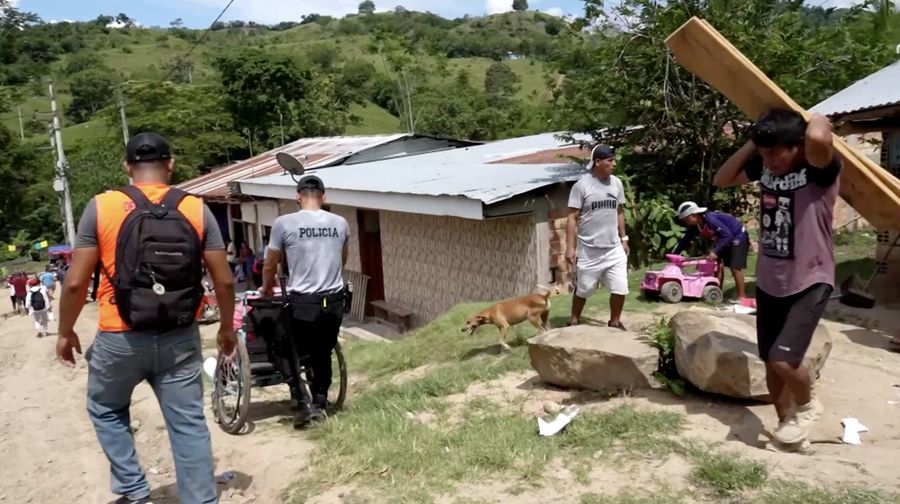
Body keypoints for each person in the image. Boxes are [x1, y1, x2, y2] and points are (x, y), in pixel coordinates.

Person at [56, 132, 237, 504]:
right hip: (179, 334)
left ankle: (136, 492)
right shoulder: (197, 209)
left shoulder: (101, 207)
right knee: (187, 424)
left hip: (119, 335)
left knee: (105, 408)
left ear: (127, 168)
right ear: (170, 165)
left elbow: (75, 284)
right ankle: (201, 499)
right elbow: (224, 280)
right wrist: (225, 329)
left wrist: (65, 331)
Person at [714, 109, 839, 446]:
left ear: (796, 146)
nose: (767, 161)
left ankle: (809, 406)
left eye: (774, 153)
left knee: (784, 359)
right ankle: (789, 429)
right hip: (770, 279)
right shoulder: (767, 166)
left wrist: (815, 120)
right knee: (771, 362)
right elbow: (721, 179)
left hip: (810, 279)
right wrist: (753, 144)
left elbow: (816, 138)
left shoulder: (819, 169)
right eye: (763, 153)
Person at [261, 175, 350, 428]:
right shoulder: (341, 223)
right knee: (323, 349)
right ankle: (321, 401)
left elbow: (270, 263)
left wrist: (267, 287)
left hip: (303, 302)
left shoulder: (284, 223)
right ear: (324, 196)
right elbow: (343, 259)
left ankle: (302, 400)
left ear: (297, 197)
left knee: (283, 346)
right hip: (333, 300)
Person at [565, 144, 630, 329]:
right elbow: (572, 217)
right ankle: (574, 319)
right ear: (598, 162)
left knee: (620, 287)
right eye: (610, 160)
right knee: (584, 289)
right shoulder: (582, 186)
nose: (614, 163)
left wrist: (623, 239)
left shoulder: (616, 183)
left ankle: (615, 321)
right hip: (589, 249)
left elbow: (619, 212)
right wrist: (569, 248)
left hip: (613, 248)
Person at [672, 201, 750, 301]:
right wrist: (674, 254)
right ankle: (717, 293)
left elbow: (727, 235)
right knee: (717, 265)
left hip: (737, 236)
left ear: (694, 215)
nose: (686, 223)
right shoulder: (696, 225)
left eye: (687, 220)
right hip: (724, 238)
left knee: (735, 267)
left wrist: (715, 251)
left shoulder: (710, 219)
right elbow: (686, 240)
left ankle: (742, 297)